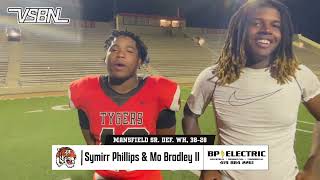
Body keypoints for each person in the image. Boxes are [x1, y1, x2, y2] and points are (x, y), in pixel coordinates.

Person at [182, 0, 320, 180]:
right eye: (256, 23)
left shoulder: (299, 75)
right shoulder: (212, 77)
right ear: (240, 29)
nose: (266, 29)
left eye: (275, 25)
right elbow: (190, 116)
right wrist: (205, 165)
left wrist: (313, 166)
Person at [68, 30, 180, 180]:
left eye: (129, 50)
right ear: (105, 58)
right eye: (114, 49)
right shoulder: (84, 90)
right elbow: (92, 145)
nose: (120, 54)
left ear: (140, 61)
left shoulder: (160, 90)